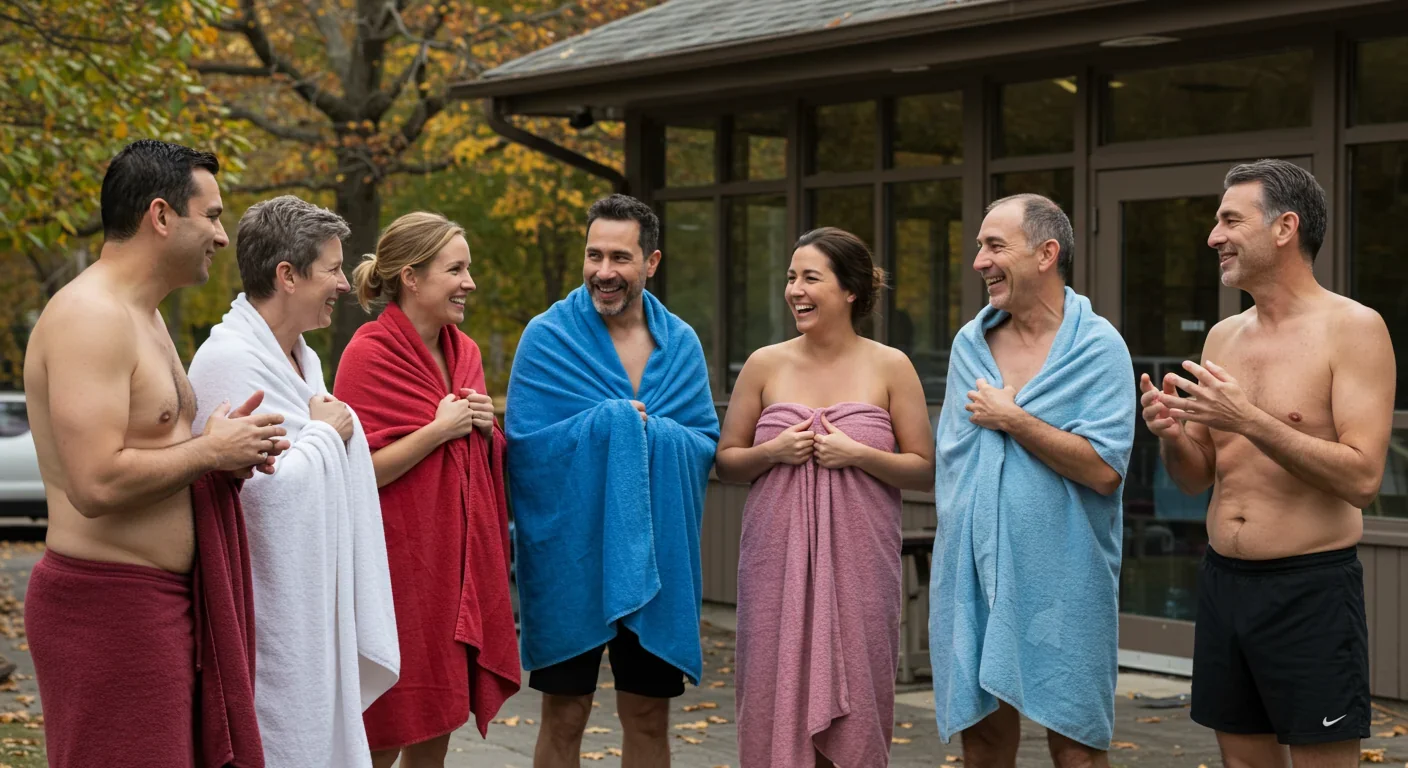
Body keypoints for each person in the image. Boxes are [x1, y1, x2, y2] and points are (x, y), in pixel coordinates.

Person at [22, 139, 281, 768]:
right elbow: (96, 482)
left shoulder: (146, 314)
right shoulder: (91, 316)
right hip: (107, 608)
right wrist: (209, 453)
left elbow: (152, 445)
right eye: (213, 216)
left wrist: (223, 449)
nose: (223, 237)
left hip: (159, 603)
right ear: (161, 216)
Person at [1145, 159, 1395, 767]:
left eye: (1230, 219)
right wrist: (1172, 435)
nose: (1213, 237)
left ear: (1285, 228)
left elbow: (1362, 478)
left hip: (1309, 590)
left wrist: (1249, 420)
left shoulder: (1354, 329)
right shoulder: (1224, 337)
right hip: (1224, 584)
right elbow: (1196, 476)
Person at [505, 194, 719, 768]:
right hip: (570, 557)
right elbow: (525, 451)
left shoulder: (681, 345)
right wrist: (615, 422)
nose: (604, 272)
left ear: (651, 262)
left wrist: (642, 432)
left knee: (648, 716)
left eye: (620, 258)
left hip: (655, 556)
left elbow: (702, 444)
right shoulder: (548, 337)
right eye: (594, 255)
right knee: (566, 713)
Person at [187, 195, 400, 768]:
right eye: (332, 268)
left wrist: (324, 435)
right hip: (267, 617)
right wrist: (328, 435)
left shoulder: (303, 360)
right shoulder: (227, 362)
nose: (342, 283)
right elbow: (253, 496)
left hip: (314, 607)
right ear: (287, 275)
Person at [929, 194, 1135, 768]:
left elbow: (1103, 469)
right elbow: (953, 457)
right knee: (984, 741)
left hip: (1064, 577)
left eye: (995, 246)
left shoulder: (1097, 349)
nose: (979, 262)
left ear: (1047, 253)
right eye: (979, 248)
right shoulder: (971, 346)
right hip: (972, 571)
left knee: (1075, 744)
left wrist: (1013, 419)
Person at [716, 227, 934, 768]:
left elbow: (924, 469)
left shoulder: (891, 366)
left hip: (860, 567)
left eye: (810, 277)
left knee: (861, 700)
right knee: (772, 691)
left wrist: (857, 454)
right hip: (775, 564)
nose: (795, 289)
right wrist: (775, 452)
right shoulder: (765, 364)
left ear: (851, 290)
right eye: (791, 277)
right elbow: (726, 460)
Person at [334, 211, 520, 768]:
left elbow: (477, 458)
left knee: (439, 722)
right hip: (394, 573)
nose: (469, 282)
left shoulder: (465, 352)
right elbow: (357, 471)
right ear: (411, 278)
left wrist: (487, 429)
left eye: (469, 269)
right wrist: (439, 430)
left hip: (452, 571)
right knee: (384, 729)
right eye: (456, 269)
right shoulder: (367, 354)